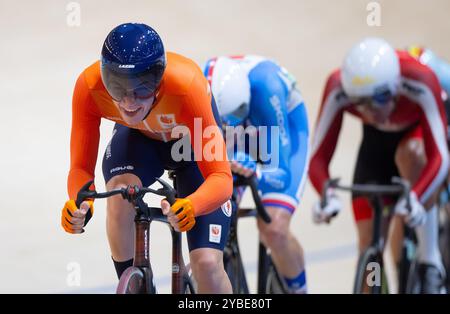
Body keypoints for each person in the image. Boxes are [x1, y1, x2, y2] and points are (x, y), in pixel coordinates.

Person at [60, 23, 233, 293]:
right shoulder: (89, 87)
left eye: (142, 88)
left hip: (191, 150)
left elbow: (221, 178)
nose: (129, 102)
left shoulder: (186, 86)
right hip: (140, 142)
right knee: (118, 193)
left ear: (159, 78)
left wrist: (193, 205)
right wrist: (80, 203)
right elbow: (80, 168)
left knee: (207, 265)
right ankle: (134, 284)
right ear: (105, 78)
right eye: (118, 88)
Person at [309, 37, 449, 293]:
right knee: (369, 245)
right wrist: (325, 193)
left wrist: (418, 196)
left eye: (381, 98)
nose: (373, 111)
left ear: (396, 85)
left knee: (412, 154)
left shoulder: (422, 79)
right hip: (376, 148)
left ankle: (431, 261)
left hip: (421, 136)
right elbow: (317, 156)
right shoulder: (337, 86)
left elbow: (439, 155)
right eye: (361, 103)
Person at [203, 55, 310, 293]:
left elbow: (281, 174)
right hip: (233, 128)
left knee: (274, 228)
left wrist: (256, 171)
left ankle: (298, 290)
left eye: (230, 121)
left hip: (281, 127)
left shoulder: (266, 89)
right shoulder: (200, 87)